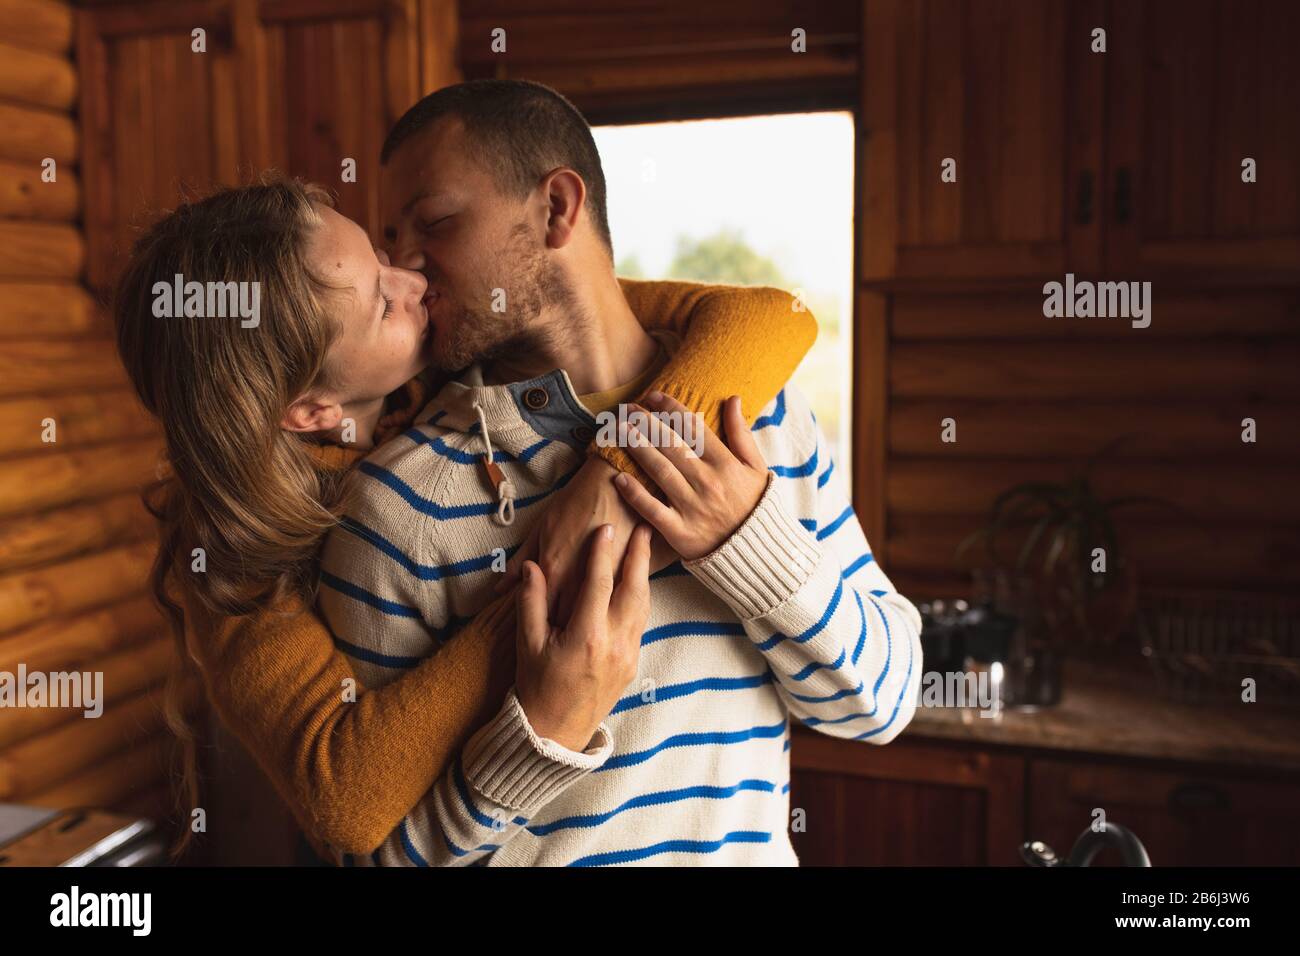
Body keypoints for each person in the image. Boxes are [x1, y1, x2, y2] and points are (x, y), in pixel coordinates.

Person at [113, 176, 816, 859]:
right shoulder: (230, 555)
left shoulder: (430, 372)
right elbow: (346, 799)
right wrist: (552, 576)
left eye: (384, 259)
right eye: (383, 303)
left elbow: (771, 317)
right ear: (311, 412)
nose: (414, 283)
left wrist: (610, 477)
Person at [317, 78, 924, 866]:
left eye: (433, 222)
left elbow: (884, 704)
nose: (407, 268)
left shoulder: (763, 418)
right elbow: (373, 860)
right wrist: (540, 735)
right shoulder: (398, 506)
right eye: (390, 240)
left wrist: (750, 543)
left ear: (557, 208)